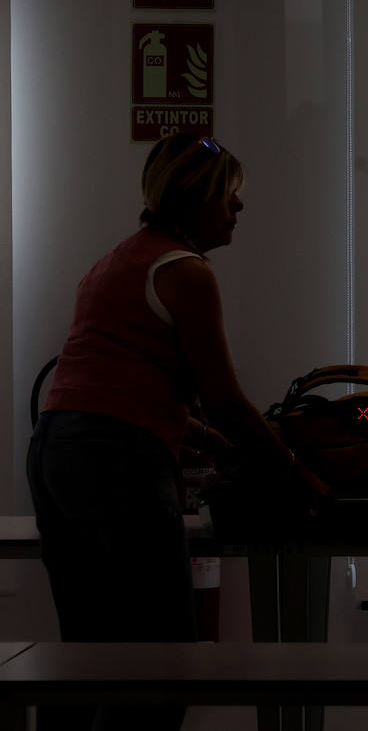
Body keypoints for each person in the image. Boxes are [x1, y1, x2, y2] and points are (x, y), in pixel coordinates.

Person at [27, 132, 330, 731]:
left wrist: (208, 442)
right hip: (117, 463)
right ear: (196, 198)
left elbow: (114, 387)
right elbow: (224, 400)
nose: (239, 207)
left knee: (85, 656)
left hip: (55, 453)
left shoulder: (114, 261)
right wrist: (299, 477)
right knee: (165, 663)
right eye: (230, 195)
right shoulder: (187, 273)